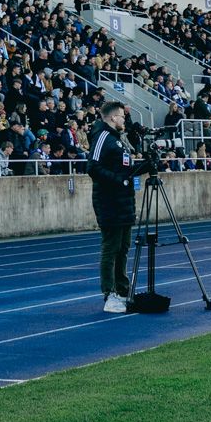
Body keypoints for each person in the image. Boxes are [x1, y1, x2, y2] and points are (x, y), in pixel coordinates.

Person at [88, 100, 139, 313]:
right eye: (122, 116)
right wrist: (119, 180)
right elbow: (93, 167)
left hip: (124, 201)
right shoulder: (102, 137)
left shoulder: (118, 139)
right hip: (109, 201)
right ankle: (109, 294)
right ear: (111, 118)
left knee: (124, 248)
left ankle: (122, 290)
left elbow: (124, 169)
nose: (124, 120)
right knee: (111, 248)